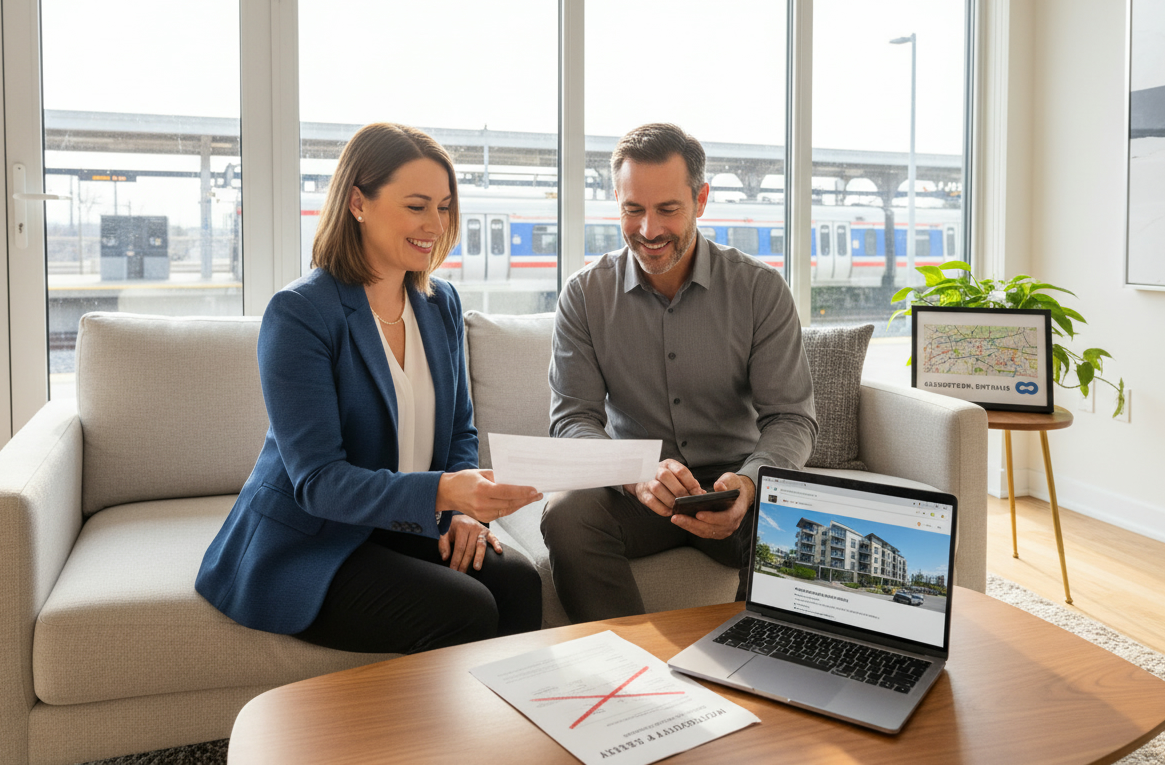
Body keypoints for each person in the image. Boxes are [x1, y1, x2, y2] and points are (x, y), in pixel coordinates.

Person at [196, 123, 543, 653]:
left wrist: (462, 513)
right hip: (314, 538)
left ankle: (510, 731)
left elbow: (458, 432)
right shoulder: (301, 314)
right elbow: (318, 482)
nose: (435, 225)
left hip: (403, 523)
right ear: (358, 202)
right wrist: (445, 493)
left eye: (445, 207)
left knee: (519, 583)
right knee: (464, 608)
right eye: (417, 206)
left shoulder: (439, 303)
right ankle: (422, 738)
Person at [544, 123, 817, 623]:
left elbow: (792, 419)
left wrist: (751, 484)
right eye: (633, 210)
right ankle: (625, 670)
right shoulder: (585, 295)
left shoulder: (760, 290)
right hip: (635, 490)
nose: (648, 230)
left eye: (667, 209)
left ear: (701, 199)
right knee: (566, 513)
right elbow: (572, 420)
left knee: (799, 523)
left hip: (733, 485)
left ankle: (756, 660)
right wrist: (633, 472)